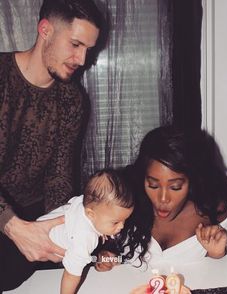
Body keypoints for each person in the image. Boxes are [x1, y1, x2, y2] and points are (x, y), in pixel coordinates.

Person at [0, 0, 105, 291]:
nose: (82, 59)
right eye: (75, 44)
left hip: (35, 215)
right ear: (45, 29)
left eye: (88, 49)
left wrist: (66, 224)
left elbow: (59, 175)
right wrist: (13, 226)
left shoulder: (72, 100)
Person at [96, 125, 227, 271]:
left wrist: (218, 254)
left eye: (175, 187)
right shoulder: (124, 203)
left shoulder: (216, 210)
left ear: (193, 180)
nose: (162, 199)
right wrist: (104, 257)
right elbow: (103, 255)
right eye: (153, 185)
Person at [37, 168, 134, 294]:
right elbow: (71, 274)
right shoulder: (86, 237)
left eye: (124, 220)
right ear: (91, 214)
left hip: (37, 226)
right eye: (115, 222)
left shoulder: (86, 203)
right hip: (32, 252)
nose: (121, 226)